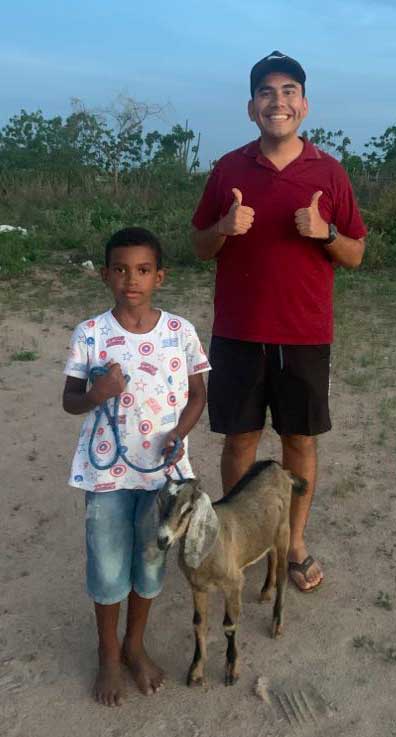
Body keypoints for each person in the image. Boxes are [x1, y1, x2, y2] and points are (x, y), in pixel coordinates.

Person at [191, 51, 366, 592]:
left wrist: (325, 232)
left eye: (289, 91)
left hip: (305, 334)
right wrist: (223, 224)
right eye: (266, 92)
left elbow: (356, 253)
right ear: (251, 108)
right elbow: (199, 246)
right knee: (239, 441)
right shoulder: (229, 169)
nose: (278, 101)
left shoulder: (329, 173)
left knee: (300, 443)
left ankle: (293, 543)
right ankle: (236, 539)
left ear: (304, 105)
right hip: (239, 334)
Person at [63, 227, 210, 706]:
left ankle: (134, 645)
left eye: (143, 270)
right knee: (107, 568)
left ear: (160, 276)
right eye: (121, 270)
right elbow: (70, 401)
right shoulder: (90, 333)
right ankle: (108, 653)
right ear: (106, 275)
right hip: (106, 475)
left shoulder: (180, 331)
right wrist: (96, 394)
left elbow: (198, 394)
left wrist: (179, 433)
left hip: (162, 477)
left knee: (150, 563)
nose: (132, 279)